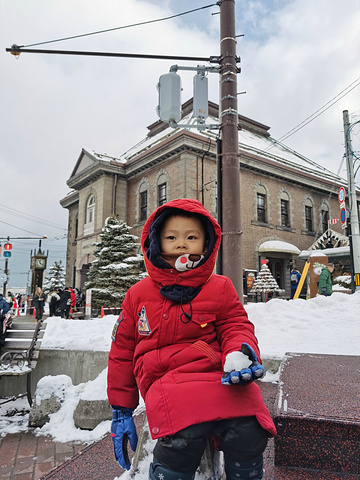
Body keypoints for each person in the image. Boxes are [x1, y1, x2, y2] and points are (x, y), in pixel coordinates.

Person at [107, 198, 276, 480]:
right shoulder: (138, 293)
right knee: (184, 434)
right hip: (166, 377)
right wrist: (121, 408)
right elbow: (122, 349)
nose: (182, 244)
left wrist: (239, 352)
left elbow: (235, 325)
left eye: (191, 237)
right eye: (171, 237)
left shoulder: (219, 286)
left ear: (206, 243)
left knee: (249, 429)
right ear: (155, 242)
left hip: (215, 374)